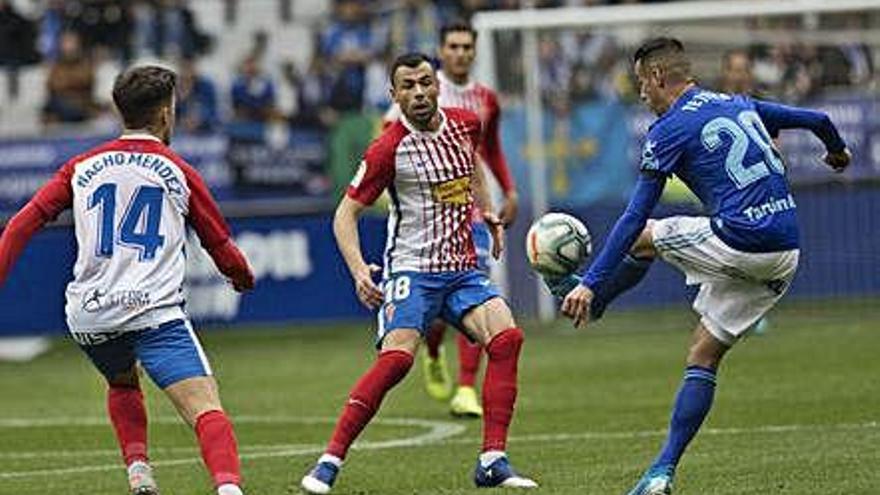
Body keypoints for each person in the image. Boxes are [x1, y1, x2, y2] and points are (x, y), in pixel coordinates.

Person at [550, 38, 850, 495]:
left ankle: (595, 303)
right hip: (786, 253)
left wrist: (590, 282)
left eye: (640, 85)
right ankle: (660, 474)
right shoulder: (737, 103)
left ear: (656, 78)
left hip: (740, 241)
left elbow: (632, 218)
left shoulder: (669, 129)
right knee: (703, 355)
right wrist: (838, 153)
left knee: (646, 234)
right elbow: (820, 120)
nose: (641, 96)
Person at [0, 65, 255, 495]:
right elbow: (221, 245)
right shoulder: (177, 169)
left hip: (90, 318)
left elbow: (23, 223)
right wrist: (241, 276)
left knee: (121, 380)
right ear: (164, 114)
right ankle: (229, 490)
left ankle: (139, 474)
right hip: (154, 314)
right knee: (205, 407)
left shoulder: (81, 166)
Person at [300, 52, 537, 494]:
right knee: (396, 361)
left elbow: (472, 170)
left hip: (463, 269)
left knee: (507, 339)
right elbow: (344, 214)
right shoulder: (388, 147)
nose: (420, 93)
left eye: (425, 82)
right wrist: (358, 271)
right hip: (413, 269)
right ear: (394, 95)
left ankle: (492, 459)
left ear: (437, 85)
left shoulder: (466, 122)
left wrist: (486, 213)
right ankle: (329, 461)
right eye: (408, 86)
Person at [384, 20, 519, 417]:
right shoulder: (418, 89)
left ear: (475, 51)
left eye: (466, 46)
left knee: (476, 280)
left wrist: (506, 192)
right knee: (440, 304)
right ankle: (432, 348)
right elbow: (387, 147)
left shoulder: (486, 100)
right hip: (425, 217)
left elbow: (487, 151)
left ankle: (465, 388)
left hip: (471, 209)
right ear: (442, 52)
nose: (460, 53)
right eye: (453, 46)